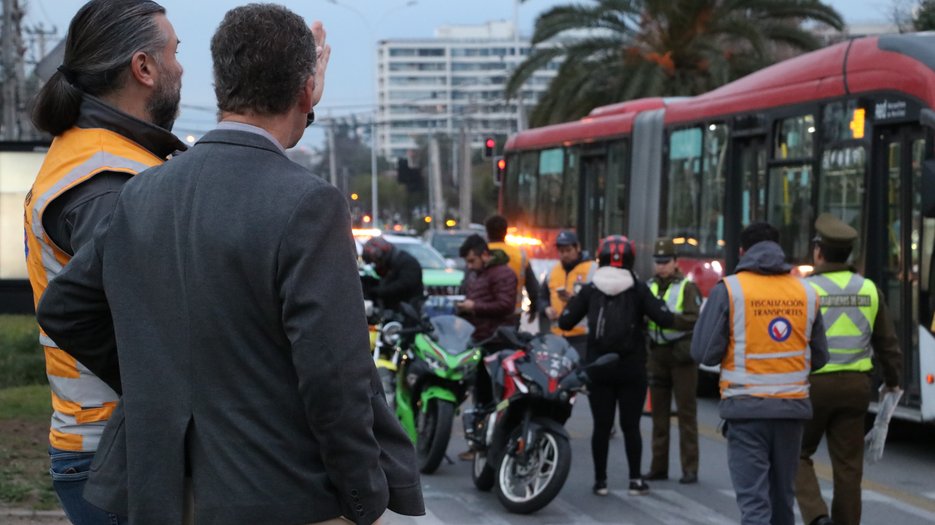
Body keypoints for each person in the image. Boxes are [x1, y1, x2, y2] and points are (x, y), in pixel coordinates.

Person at [36, 5, 424, 524]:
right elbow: (335, 377)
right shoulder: (310, 204)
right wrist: (363, 498)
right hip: (281, 496)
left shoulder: (143, 189)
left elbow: (65, 309)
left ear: (223, 85)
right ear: (306, 92)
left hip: (167, 495)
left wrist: (168, 385)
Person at [23, 1, 185, 522]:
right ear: (144, 68)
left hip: (108, 443)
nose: (181, 67)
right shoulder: (108, 182)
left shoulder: (99, 156)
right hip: (120, 449)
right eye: (174, 52)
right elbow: (127, 322)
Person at [691, 222, 829, 525]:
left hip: (746, 411)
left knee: (755, 504)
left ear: (742, 252)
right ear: (779, 250)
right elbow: (820, 358)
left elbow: (703, 353)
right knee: (783, 501)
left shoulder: (730, 289)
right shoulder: (806, 291)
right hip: (792, 412)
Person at [794, 214, 903, 525]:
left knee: (796, 454)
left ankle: (816, 517)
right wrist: (893, 383)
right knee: (849, 468)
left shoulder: (805, 290)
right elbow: (888, 345)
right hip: (856, 387)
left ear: (818, 251)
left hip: (813, 386)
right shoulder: (868, 289)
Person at [559, 235, 675, 497]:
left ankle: (600, 481)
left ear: (600, 258)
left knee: (601, 426)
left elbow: (566, 322)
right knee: (631, 426)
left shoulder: (591, 288)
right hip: (631, 367)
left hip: (598, 367)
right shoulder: (638, 288)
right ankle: (635, 480)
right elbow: (665, 319)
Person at [645, 238, 702, 485]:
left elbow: (694, 318)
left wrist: (669, 320)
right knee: (659, 416)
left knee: (686, 415)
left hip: (682, 357)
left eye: (665, 262)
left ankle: (690, 469)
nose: (661, 267)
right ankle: (658, 467)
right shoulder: (648, 286)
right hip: (657, 355)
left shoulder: (687, 287)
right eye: (658, 262)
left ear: (676, 262)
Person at [456, 233, 517, 460]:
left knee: (495, 398)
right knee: (480, 395)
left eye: (472, 261)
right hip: (479, 340)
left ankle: (494, 445)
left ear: (485, 254)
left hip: (498, 342)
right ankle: (479, 445)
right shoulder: (476, 275)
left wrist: (474, 306)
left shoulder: (503, 274)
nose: (469, 266)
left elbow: (505, 305)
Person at [541, 230, 596, 354]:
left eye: (568, 250)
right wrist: (546, 308)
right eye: (561, 251)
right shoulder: (553, 271)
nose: (565, 255)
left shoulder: (592, 269)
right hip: (556, 336)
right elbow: (542, 296)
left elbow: (599, 301)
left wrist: (575, 301)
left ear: (578, 248)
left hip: (581, 337)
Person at [484, 214, 539, 324]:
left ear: (487, 232)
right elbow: (533, 287)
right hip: (512, 314)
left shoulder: (481, 254)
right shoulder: (520, 255)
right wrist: (534, 309)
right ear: (505, 232)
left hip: (484, 313)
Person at [360, 235, 424, 312]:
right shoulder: (394, 263)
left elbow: (401, 286)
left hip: (408, 311)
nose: (377, 265)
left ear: (383, 255)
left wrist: (376, 291)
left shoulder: (407, 263)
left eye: (376, 262)